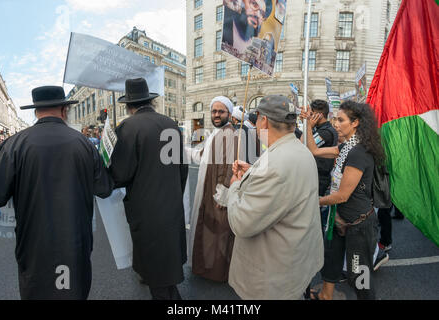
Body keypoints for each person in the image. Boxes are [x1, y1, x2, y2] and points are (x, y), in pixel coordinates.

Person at [0, 86, 113, 299]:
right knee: (72, 291)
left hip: (34, 242)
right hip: (76, 239)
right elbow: (104, 189)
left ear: (35, 111)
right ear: (64, 110)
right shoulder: (84, 143)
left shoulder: (14, 144)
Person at [226, 95, 324, 300]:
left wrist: (235, 187)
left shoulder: (276, 163)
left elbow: (241, 223)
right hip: (295, 260)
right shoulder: (300, 150)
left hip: (272, 274)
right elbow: (285, 186)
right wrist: (253, 171)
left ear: (263, 120)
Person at [109, 78, 188, 300]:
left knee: (155, 268)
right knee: (167, 259)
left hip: (146, 208)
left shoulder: (127, 127)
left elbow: (120, 174)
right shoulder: (171, 124)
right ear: (150, 101)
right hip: (170, 203)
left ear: (128, 105)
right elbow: (182, 169)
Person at [301, 100, 386, 300]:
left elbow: (342, 195)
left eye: (341, 120)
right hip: (338, 218)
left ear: (355, 123)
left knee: (358, 274)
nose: (335, 124)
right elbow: (313, 151)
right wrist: (308, 125)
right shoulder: (346, 147)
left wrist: (314, 201)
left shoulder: (359, 152)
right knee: (331, 260)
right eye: (335, 119)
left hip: (358, 225)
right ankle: (326, 295)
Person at [186, 96, 238, 283]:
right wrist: (184, 151)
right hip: (207, 190)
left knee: (217, 234)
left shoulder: (230, 134)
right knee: (209, 232)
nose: (216, 115)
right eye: (214, 111)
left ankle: (216, 273)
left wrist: (222, 195)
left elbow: (230, 167)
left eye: (221, 111)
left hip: (217, 194)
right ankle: (206, 268)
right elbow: (202, 156)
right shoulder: (215, 134)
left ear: (229, 114)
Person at [302, 100, 338, 233]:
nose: (309, 117)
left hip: (319, 177)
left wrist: (308, 127)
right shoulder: (323, 129)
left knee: (313, 216)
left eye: (312, 114)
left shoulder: (326, 132)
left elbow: (303, 145)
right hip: (318, 175)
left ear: (320, 115)